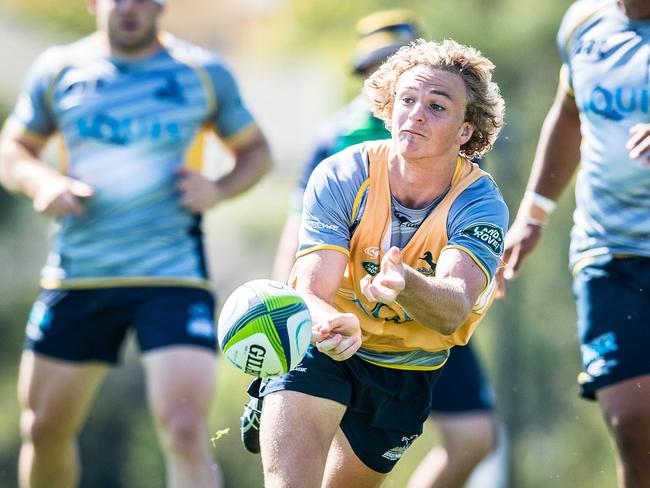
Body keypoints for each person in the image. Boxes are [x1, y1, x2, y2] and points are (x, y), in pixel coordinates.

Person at [0, 0, 272, 487]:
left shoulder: (202, 72)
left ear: (160, 5)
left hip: (172, 276)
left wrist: (218, 187)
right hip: (79, 272)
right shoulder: (59, 68)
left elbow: (256, 152)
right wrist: (41, 182)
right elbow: (13, 150)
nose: (128, 7)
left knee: (186, 430)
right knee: (43, 428)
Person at [256, 10, 498, 488]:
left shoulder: (480, 199)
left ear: (466, 132)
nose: (416, 113)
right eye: (407, 98)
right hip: (328, 344)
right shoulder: (341, 168)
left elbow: (451, 311)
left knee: (471, 437)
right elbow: (311, 283)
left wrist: (404, 283)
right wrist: (321, 316)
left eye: (437, 104)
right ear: (387, 104)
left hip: (407, 365)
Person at [497, 0, 650, 486]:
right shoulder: (584, 21)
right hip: (608, 246)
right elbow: (568, 113)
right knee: (631, 419)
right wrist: (533, 214)